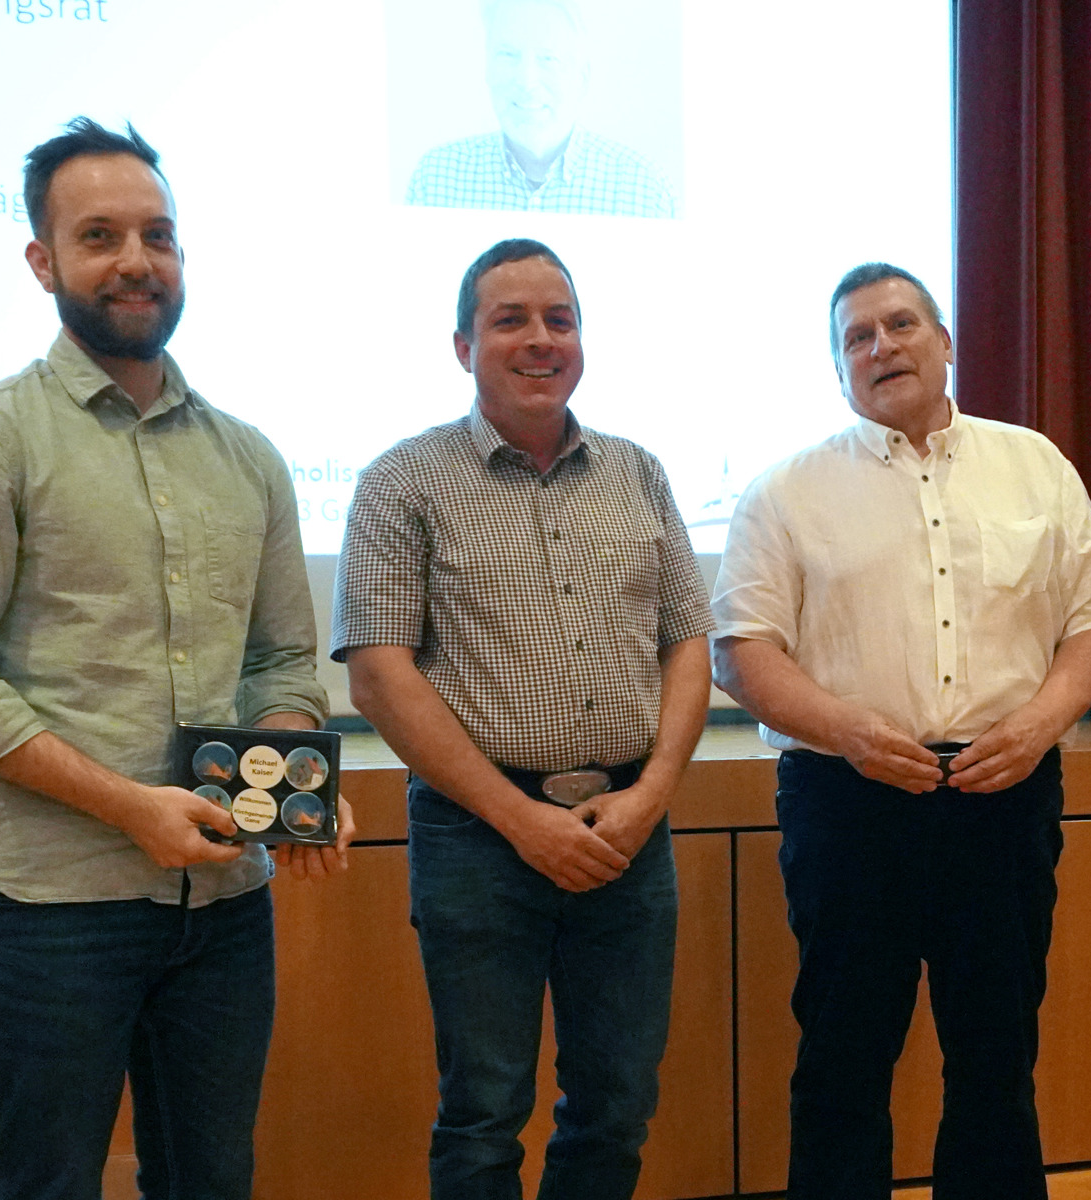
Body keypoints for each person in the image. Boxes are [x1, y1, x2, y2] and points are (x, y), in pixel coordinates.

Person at [0, 117, 355, 1200]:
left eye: (158, 235)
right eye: (99, 236)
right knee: (48, 1185)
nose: (136, 260)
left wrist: (292, 778)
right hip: (57, 914)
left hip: (226, 907)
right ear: (42, 261)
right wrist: (131, 807)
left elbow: (284, 660)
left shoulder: (249, 457)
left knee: (211, 1183)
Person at [711, 263, 1091, 1200]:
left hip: (1003, 795)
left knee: (997, 1058)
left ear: (944, 341)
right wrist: (848, 731)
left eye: (901, 324)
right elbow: (742, 653)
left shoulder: (1035, 465)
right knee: (843, 1058)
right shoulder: (786, 491)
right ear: (839, 372)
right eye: (857, 337)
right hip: (848, 801)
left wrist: (1039, 726)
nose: (882, 346)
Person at [333, 238, 713, 1199]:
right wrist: (521, 820)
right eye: (511, 321)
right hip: (477, 839)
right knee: (484, 1113)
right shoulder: (402, 480)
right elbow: (378, 675)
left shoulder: (639, 472)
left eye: (560, 320)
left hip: (628, 832)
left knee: (618, 1104)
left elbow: (687, 644)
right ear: (464, 347)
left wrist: (650, 798)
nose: (541, 339)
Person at [405, 0, 677, 217]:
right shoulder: (436, 179)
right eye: (508, 55)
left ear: (582, 78)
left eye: (548, 58)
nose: (526, 81)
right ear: (487, 68)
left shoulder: (645, 191)